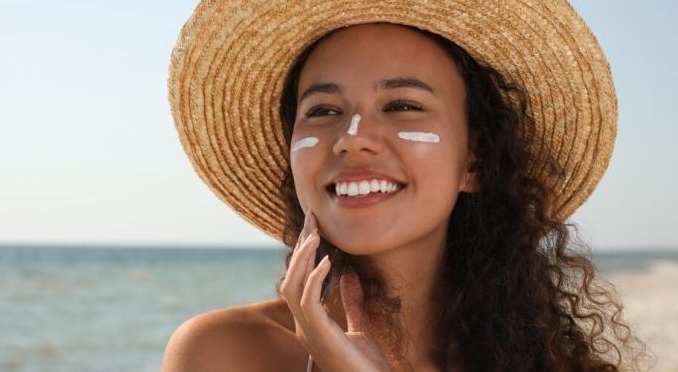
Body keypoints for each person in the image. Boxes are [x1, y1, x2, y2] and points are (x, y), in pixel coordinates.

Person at [162, 1, 650, 371]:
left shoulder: (540, 358)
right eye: (324, 112)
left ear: (475, 162)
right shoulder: (225, 352)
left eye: (402, 106)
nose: (352, 141)